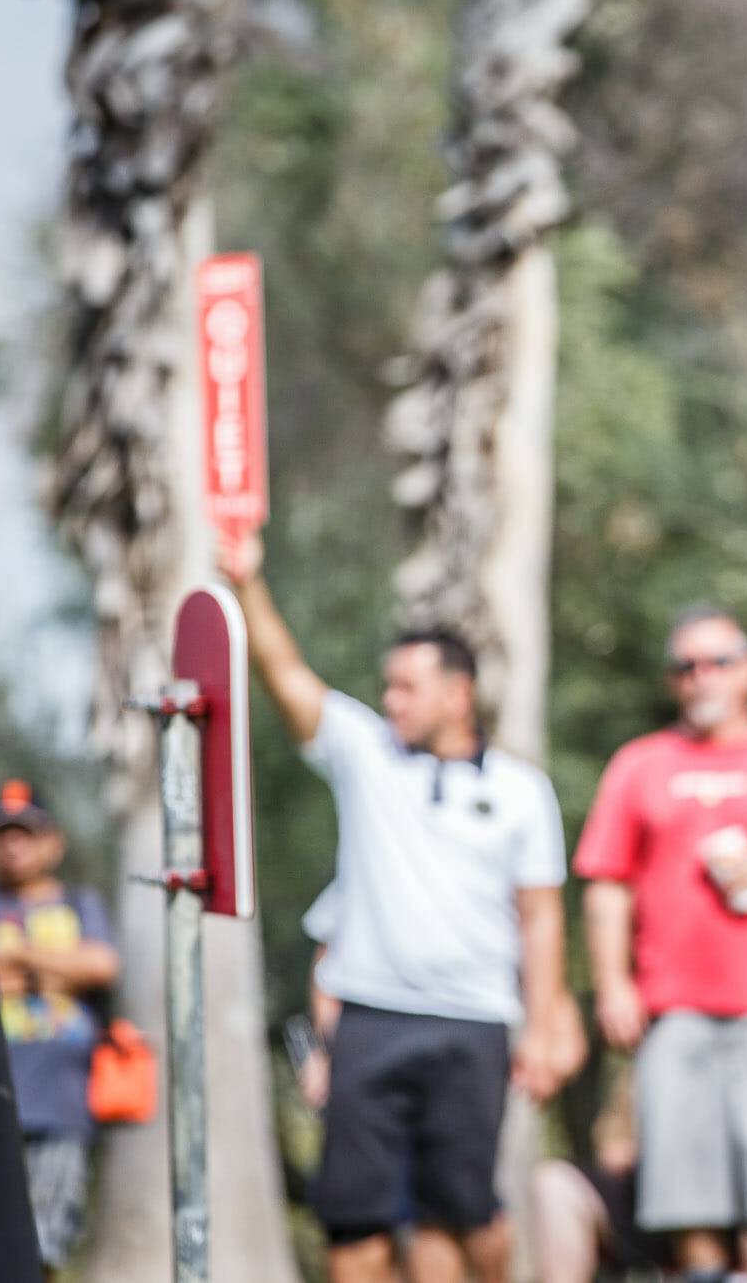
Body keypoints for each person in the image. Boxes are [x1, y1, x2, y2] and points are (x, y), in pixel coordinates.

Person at [221, 535, 586, 1283]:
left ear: (458, 695)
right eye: (387, 686)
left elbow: (542, 917)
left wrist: (543, 1027)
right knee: (354, 1220)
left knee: (453, 1219)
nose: (390, 700)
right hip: (371, 1020)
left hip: (474, 1022)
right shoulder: (365, 753)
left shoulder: (521, 791)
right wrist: (247, 581)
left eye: (407, 688)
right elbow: (287, 677)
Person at [574, 605, 747, 1283]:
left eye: (718, 662)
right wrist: (613, 982)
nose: (702, 677)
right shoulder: (639, 765)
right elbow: (606, 883)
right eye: (687, 665)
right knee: (686, 1196)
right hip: (673, 1005)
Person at [0, 779, 121, 1280]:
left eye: (25, 833)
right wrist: (60, 969)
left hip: (60, 1107)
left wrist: (17, 957)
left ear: (52, 842)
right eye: (3, 834)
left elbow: (101, 964)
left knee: (46, 1250)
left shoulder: (80, 903)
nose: (14, 844)